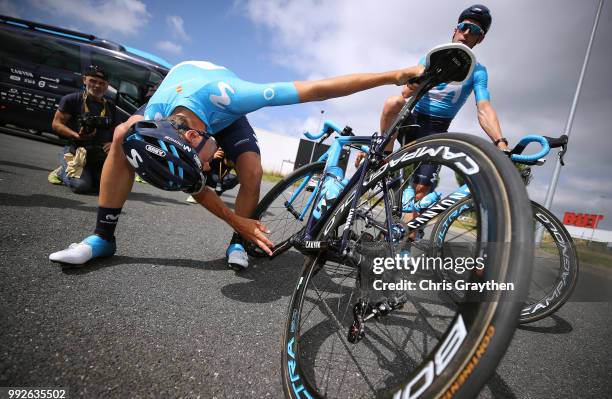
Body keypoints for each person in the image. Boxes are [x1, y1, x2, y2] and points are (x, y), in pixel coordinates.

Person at [49, 60, 424, 269]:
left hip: (219, 108)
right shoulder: (150, 119)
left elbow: (318, 88)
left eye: (204, 163)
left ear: (195, 138)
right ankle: (102, 237)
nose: (211, 168)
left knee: (253, 172)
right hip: (179, 102)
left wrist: (392, 76)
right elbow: (193, 182)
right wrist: (232, 213)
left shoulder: (238, 97)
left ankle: (237, 244)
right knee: (120, 137)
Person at [356, 5, 506, 215]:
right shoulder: (432, 57)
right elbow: (405, 94)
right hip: (413, 118)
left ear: (480, 39)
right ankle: (385, 157)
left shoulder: (478, 72)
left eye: (474, 32)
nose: (466, 33)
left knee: (421, 192)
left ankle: (405, 241)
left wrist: (500, 142)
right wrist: (422, 80)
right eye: (464, 27)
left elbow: (484, 107)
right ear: (455, 29)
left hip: (436, 129)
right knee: (392, 102)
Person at [48, 66, 118, 194]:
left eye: (102, 83)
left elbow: (117, 129)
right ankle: (61, 172)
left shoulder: (110, 106)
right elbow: (56, 124)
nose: (97, 86)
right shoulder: (72, 99)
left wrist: (113, 143)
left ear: (107, 86)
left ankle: (88, 174)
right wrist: (75, 135)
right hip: (76, 152)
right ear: (84, 80)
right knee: (81, 186)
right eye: (93, 81)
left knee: (108, 187)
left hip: (98, 154)